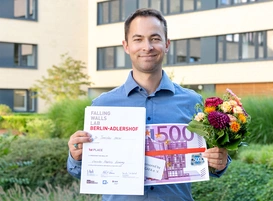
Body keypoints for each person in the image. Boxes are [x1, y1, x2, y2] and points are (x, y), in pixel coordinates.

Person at [67, 8, 231, 201]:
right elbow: (84, 172)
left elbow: (208, 164)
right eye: (138, 39)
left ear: (167, 44)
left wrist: (220, 161)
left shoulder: (193, 103)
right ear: (126, 46)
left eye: (155, 38)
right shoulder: (102, 105)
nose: (147, 47)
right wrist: (76, 156)